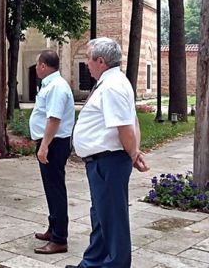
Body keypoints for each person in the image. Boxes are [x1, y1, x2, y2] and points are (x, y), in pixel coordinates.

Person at [65, 38, 149, 268]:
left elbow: (124, 126)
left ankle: (116, 264)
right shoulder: (110, 83)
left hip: (108, 161)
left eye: (88, 58)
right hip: (102, 161)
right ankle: (92, 263)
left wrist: (133, 153)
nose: (87, 63)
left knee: (112, 219)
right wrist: (133, 151)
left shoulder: (112, 86)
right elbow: (131, 121)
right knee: (101, 216)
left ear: (100, 61)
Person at [29, 50, 75, 255]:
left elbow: (54, 119)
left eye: (38, 63)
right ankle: (53, 227)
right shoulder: (51, 84)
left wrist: (44, 145)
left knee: (55, 189)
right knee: (51, 188)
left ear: (43, 65)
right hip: (51, 142)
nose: (37, 66)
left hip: (54, 144)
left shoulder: (56, 87)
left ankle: (59, 239)